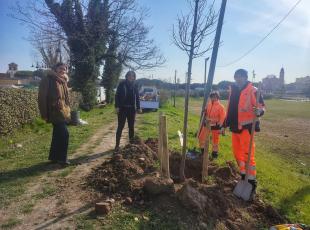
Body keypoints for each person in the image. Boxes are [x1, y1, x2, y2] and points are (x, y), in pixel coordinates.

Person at [225, 69, 265, 198]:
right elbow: (230, 107)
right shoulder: (234, 90)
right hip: (235, 127)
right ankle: (243, 177)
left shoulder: (253, 90)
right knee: (237, 154)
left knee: (248, 155)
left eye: (240, 77)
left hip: (247, 128)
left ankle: (252, 182)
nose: (238, 79)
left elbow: (262, 106)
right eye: (236, 76)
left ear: (246, 77)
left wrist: (259, 111)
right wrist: (225, 123)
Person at [38, 62, 71, 165]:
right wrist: (44, 114)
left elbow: (65, 99)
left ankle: (54, 158)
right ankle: (62, 159)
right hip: (54, 112)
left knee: (57, 134)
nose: (62, 70)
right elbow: (41, 97)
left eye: (64, 69)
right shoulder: (48, 79)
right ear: (55, 69)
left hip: (63, 111)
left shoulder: (63, 81)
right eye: (60, 68)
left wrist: (68, 110)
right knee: (65, 134)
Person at [114, 71, 141, 151]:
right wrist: (117, 106)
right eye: (129, 75)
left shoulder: (135, 85)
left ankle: (131, 144)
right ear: (126, 76)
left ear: (134, 77)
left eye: (132, 76)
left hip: (132, 109)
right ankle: (117, 145)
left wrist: (138, 107)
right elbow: (117, 95)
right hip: (122, 109)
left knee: (131, 127)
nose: (131, 77)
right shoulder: (121, 84)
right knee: (120, 127)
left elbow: (137, 97)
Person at [198, 91, 226, 159]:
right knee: (201, 137)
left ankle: (214, 153)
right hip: (207, 124)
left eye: (215, 97)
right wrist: (205, 111)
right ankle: (203, 150)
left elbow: (222, 117)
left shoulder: (220, 107)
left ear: (217, 97)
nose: (213, 98)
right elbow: (206, 112)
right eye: (212, 97)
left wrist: (221, 127)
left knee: (215, 140)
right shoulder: (208, 104)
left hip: (215, 126)